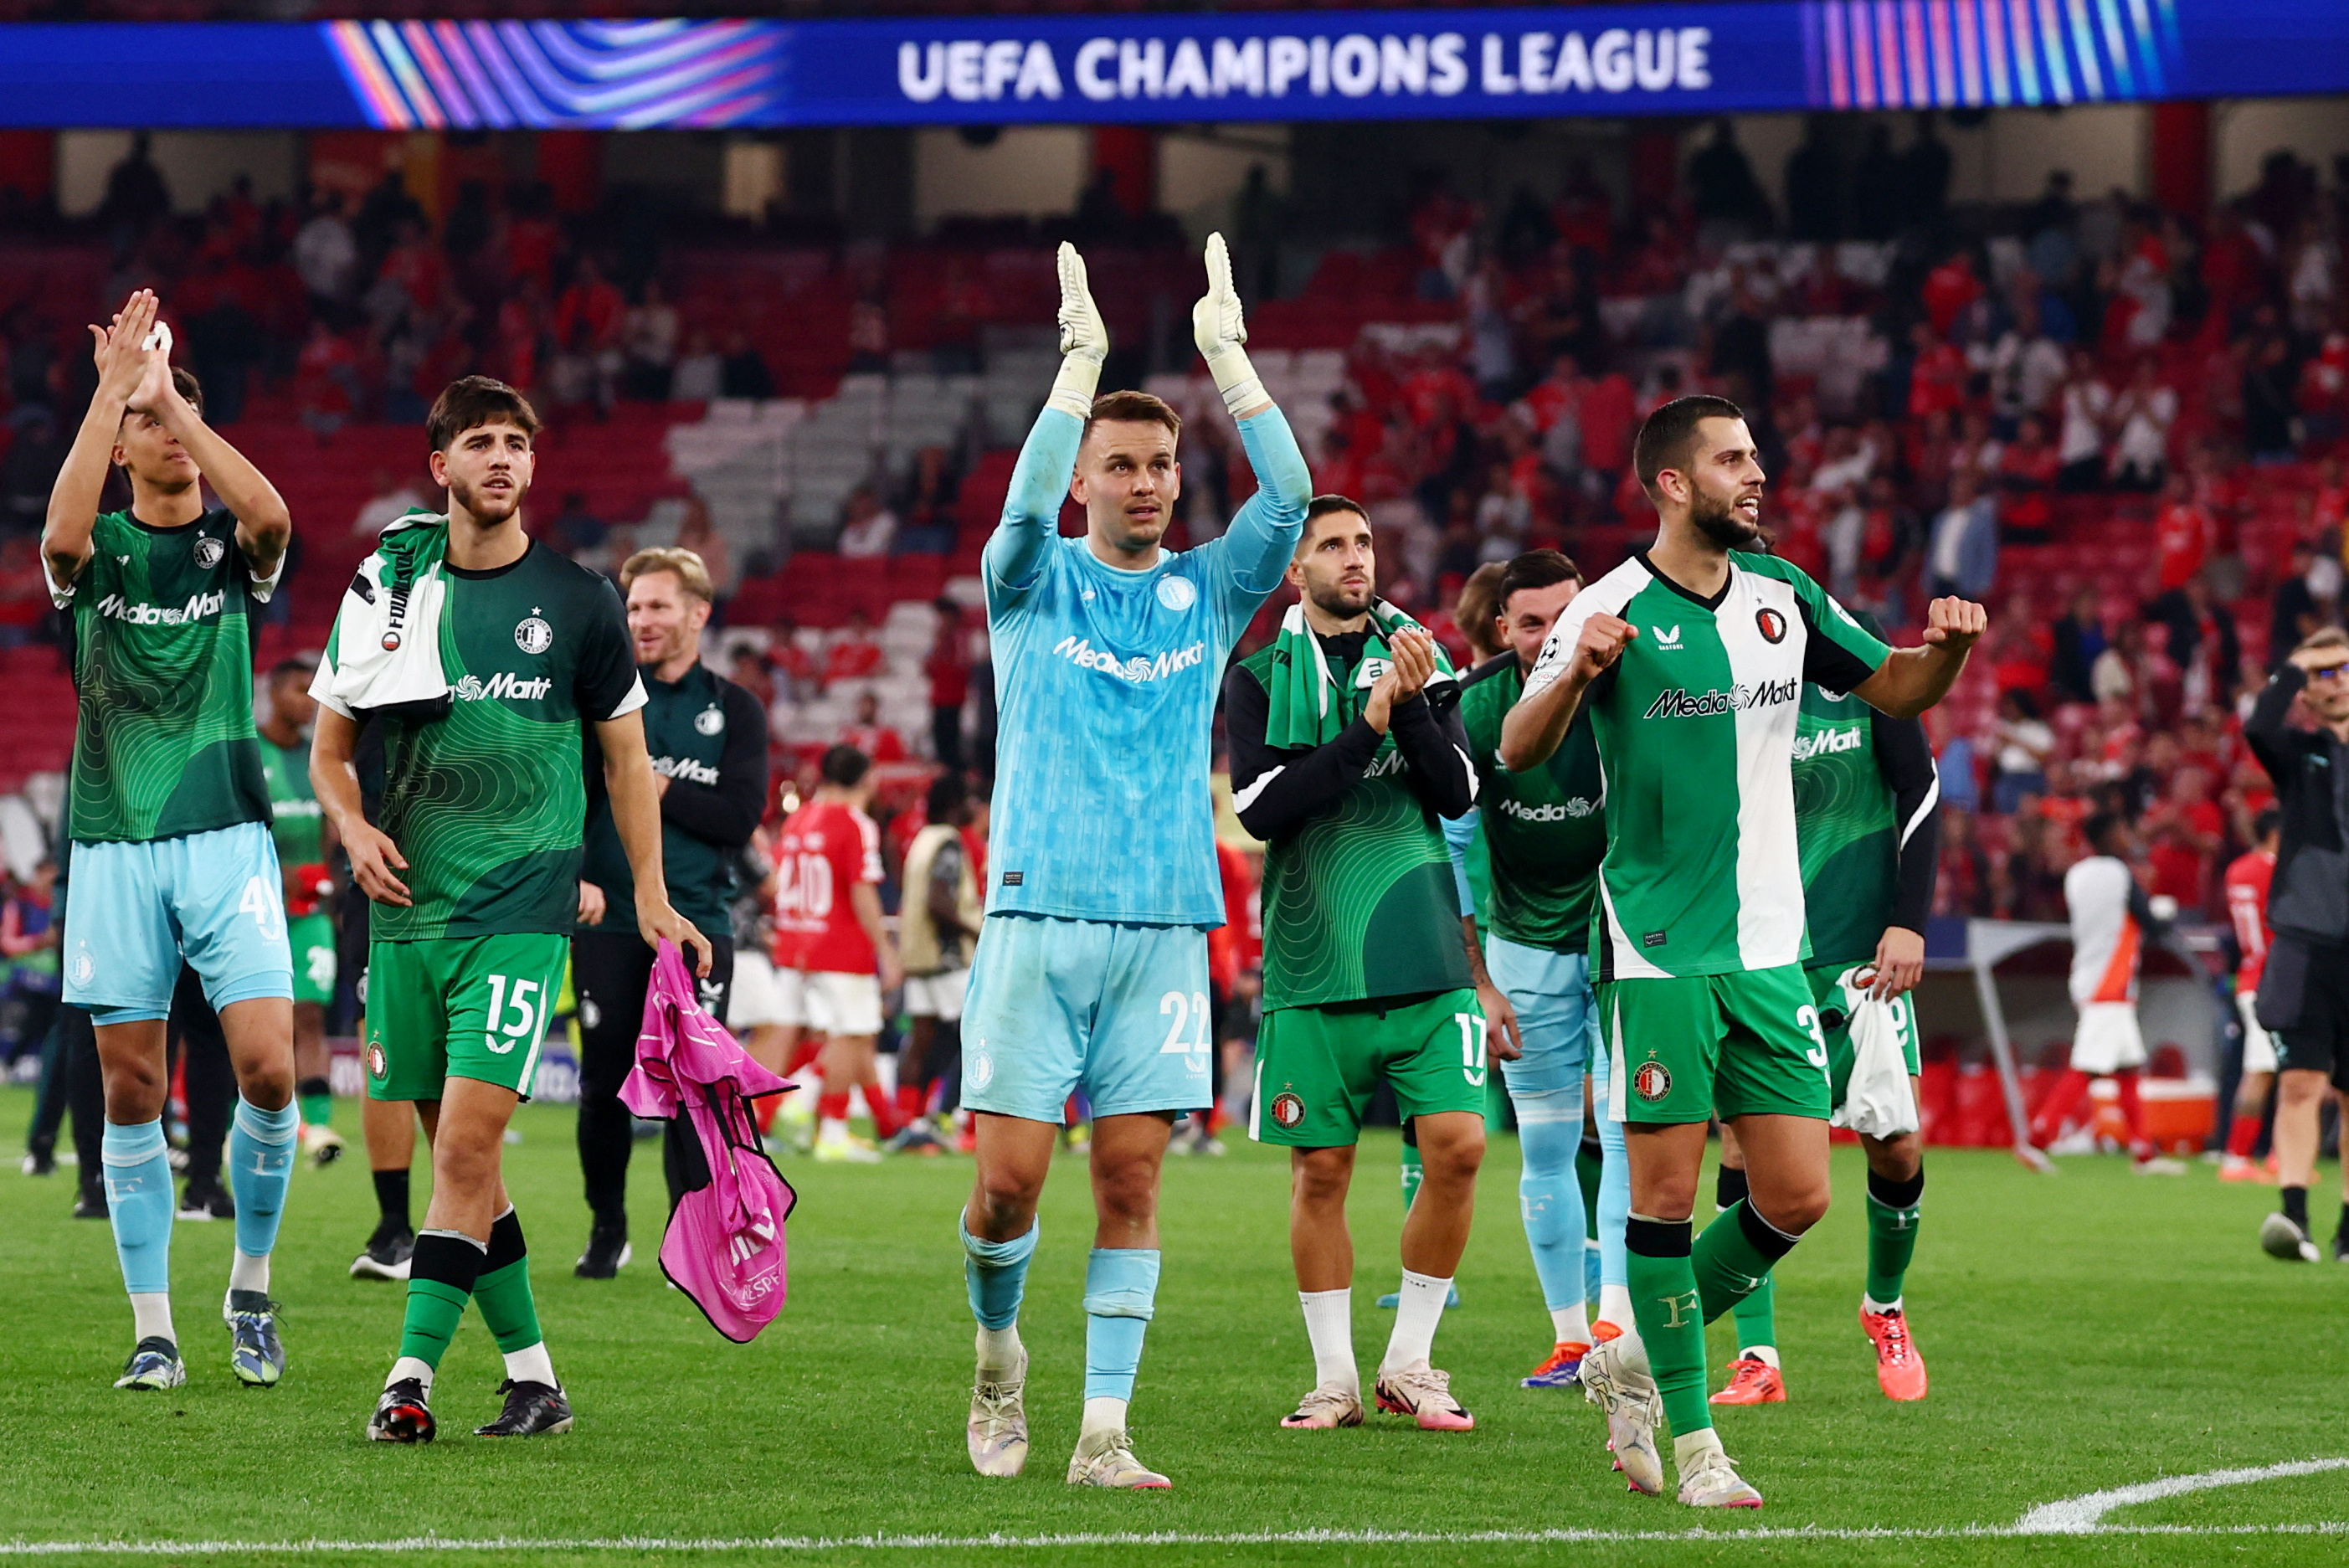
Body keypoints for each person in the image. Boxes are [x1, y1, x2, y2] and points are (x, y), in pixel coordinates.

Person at [1498, 394, 1985, 1509]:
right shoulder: (1608, 607)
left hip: (1772, 951)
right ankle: (1694, 1435)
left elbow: (1897, 685)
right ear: (1671, 483)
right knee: (1664, 1199)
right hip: (1661, 951)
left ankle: (1623, 1358)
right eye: (1730, 460)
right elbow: (1519, 751)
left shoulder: (1785, 595)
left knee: (1799, 1195)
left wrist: (1945, 654)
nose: (1753, 475)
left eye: (1755, 456)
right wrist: (1576, 671)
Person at [954, 236, 1307, 1490]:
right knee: (1004, 1190)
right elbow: (1013, 508)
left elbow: (1289, 502)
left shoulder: (1209, 593)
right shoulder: (1027, 581)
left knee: (1129, 1173)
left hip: (1163, 923)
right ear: (1084, 482)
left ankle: (1104, 1429)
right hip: (1035, 916)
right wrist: (1079, 368)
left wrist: (1229, 360)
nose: (1148, 482)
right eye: (1122, 464)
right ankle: (1000, 1353)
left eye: (1161, 464)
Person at [311, 376, 710, 1443]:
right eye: (478, 442)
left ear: (533, 465)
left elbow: (626, 764)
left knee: (463, 1150)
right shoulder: (388, 583)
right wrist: (350, 829)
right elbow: (328, 752)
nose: (501, 458)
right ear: (439, 465)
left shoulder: (579, 602)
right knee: (467, 1166)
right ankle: (535, 1377)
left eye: (515, 443)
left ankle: (408, 1380)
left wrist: (653, 898)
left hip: (522, 912)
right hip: (405, 912)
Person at [41, 290, 300, 1392]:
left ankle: (249, 1287)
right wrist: (112, 392)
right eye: (146, 422)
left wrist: (170, 397)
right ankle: (155, 1327)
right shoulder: (94, 550)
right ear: (119, 442)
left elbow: (276, 516)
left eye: (173, 417)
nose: (160, 430)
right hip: (113, 839)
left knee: (269, 1071)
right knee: (133, 1088)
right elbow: (54, 536)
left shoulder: (227, 550)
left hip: (227, 833)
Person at [1224, 496, 1483, 1433]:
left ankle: (1410, 1362)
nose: (1354, 558)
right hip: (1312, 960)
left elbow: (1458, 792)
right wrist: (1368, 723)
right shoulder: (1256, 676)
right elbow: (1261, 807)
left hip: (1423, 950)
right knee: (1321, 1172)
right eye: (1331, 545)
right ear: (1295, 571)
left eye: (1364, 542)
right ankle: (1335, 1377)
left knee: (1458, 1145)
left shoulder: (1421, 654)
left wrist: (1408, 706)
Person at [1713, 605, 1942, 1407]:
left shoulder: (1868, 679)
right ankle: (1757, 1357)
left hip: (1861, 954)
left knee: (1897, 1145)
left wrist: (1910, 918)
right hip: (1759, 955)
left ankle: (1884, 1306)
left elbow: (1920, 788)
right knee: (1746, 1148)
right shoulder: (1728, 687)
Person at [1442, 549, 1634, 1391]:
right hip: (1523, 945)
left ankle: (1617, 1328)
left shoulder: (1629, 684)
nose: (1551, 637)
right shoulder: (1474, 708)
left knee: (1629, 1128)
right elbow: (1451, 850)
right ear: (1502, 628)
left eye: (1565, 618)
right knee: (1549, 1144)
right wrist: (1477, 979)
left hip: (1627, 938)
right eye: (1530, 623)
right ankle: (1566, 1339)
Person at [572, 547, 768, 1278]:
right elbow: (576, 800)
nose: (641, 620)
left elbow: (740, 816)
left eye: (656, 605)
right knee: (602, 1086)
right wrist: (580, 874)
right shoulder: (604, 698)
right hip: (610, 918)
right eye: (633, 607)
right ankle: (606, 1226)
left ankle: (695, 1238)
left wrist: (656, 787)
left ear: (698, 613)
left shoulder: (736, 708)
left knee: (698, 1092)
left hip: (700, 925)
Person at [2245, 630, 2349, 1262]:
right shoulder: (2298, 752)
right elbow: (2258, 727)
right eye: (2321, 673)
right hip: (2306, 936)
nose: (2331, 679)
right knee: (2300, 1080)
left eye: (2341, 667)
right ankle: (2295, 1218)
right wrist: (2292, 668)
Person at [2026, 814, 2187, 1174]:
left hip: (2089, 974)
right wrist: (2167, 916)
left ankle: (2144, 1153)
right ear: (2110, 837)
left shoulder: (2076, 875)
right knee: (2087, 1067)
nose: (2126, 837)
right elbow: (2149, 923)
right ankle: (2037, 1139)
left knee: (2128, 1069)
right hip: (2110, 984)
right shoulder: (2118, 873)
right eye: (2122, 830)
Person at [772, 744, 902, 1163]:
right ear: (866, 778)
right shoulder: (856, 822)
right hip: (840, 945)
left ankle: (780, 1111)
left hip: (795, 941)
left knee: (811, 1036)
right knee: (853, 1034)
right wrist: (885, 948)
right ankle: (827, 1125)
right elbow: (862, 890)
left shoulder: (797, 819)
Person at [257, 656, 346, 1168]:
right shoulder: (250, 753)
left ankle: (318, 1123)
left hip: (310, 911)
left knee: (309, 1014)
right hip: (259, 908)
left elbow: (331, 832)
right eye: (299, 689)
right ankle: (237, 1122)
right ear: (272, 690)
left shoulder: (319, 759)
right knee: (258, 1018)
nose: (310, 701)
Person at [895, 772, 984, 1151]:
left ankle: (907, 1122)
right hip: (946, 957)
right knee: (979, 1036)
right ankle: (946, 1118)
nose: (973, 808)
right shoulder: (948, 843)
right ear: (954, 804)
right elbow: (939, 901)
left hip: (917, 954)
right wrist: (978, 929)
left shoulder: (921, 840)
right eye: (968, 800)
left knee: (923, 1041)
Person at [2219, 811, 2282, 1185]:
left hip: (2250, 973)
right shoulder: (2276, 872)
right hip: (2270, 979)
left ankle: (2279, 1155)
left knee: (2285, 1071)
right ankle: (2236, 1157)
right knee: (2260, 1072)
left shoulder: (2237, 870)